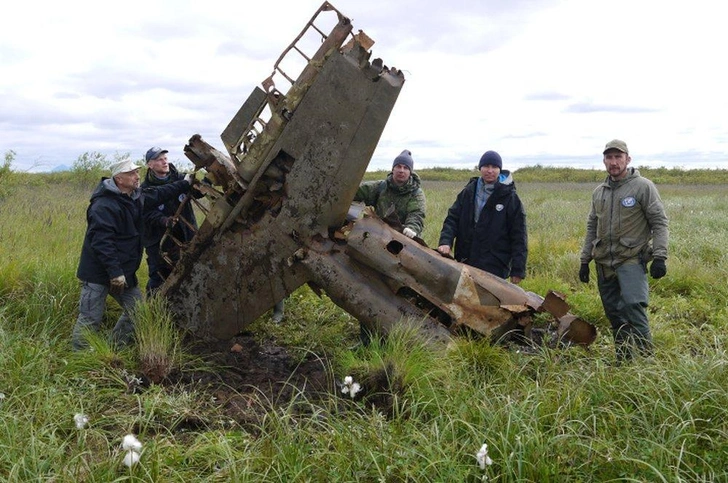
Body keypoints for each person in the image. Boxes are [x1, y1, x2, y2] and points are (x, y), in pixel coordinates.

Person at [72, 159, 193, 350]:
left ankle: (114, 348)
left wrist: (185, 183)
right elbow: (102, 243)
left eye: (137, 172)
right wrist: (114, 273)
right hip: (99, 273)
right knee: (90, 318)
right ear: (119, 179)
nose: (137, 177)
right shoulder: (103, 206)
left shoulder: (136, 196)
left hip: (124, 272)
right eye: (132, 174)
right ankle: (80, 358)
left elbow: (160, 193)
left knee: (137, 312)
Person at [579, 139, 668, 362]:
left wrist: (660, 256)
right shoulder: (599, 192)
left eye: (618, 157)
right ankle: (624, 359)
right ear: (604, 161)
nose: (614, 162)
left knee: (633, 307)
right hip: (604, 262)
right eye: (609, 157)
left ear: (628, 159)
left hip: (631, 259)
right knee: (615, 314)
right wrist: (584, 259)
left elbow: (659, 222)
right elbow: (592, 226)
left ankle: (647, 361)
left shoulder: (643, 187)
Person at [437, 150, 527, 284]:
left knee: (489, 303)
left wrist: (518, 269)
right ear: (480, 168)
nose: (490, 171)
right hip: (466, 258)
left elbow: (519, 234)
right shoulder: (468, 192)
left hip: (495, 264)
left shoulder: (510, 197)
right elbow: (452, 218)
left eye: (494, 167)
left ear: (499, 170)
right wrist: (446, 241)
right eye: (486, 166)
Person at [142, 147, 200, 296]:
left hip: (186, 235)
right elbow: (146, 213)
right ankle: (153, 311)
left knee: (193, 272)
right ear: (150, 164)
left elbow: (197, 193)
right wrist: (162, 220)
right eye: (159, 159)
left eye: (165, 158)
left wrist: (207, 182)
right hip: (161, 241)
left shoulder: (181, 178)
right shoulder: (146, 189)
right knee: (159, 276)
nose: (164, 161)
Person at [353, 149, 426, 238]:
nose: (401, 170)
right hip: (378, 235)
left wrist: (411, 228)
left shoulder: (416, 193)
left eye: (405, 168)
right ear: (393, 169)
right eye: (398, 166)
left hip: (403, 239)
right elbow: (355, 191)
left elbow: (416, 214)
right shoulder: (380, 187)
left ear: (410, 172)